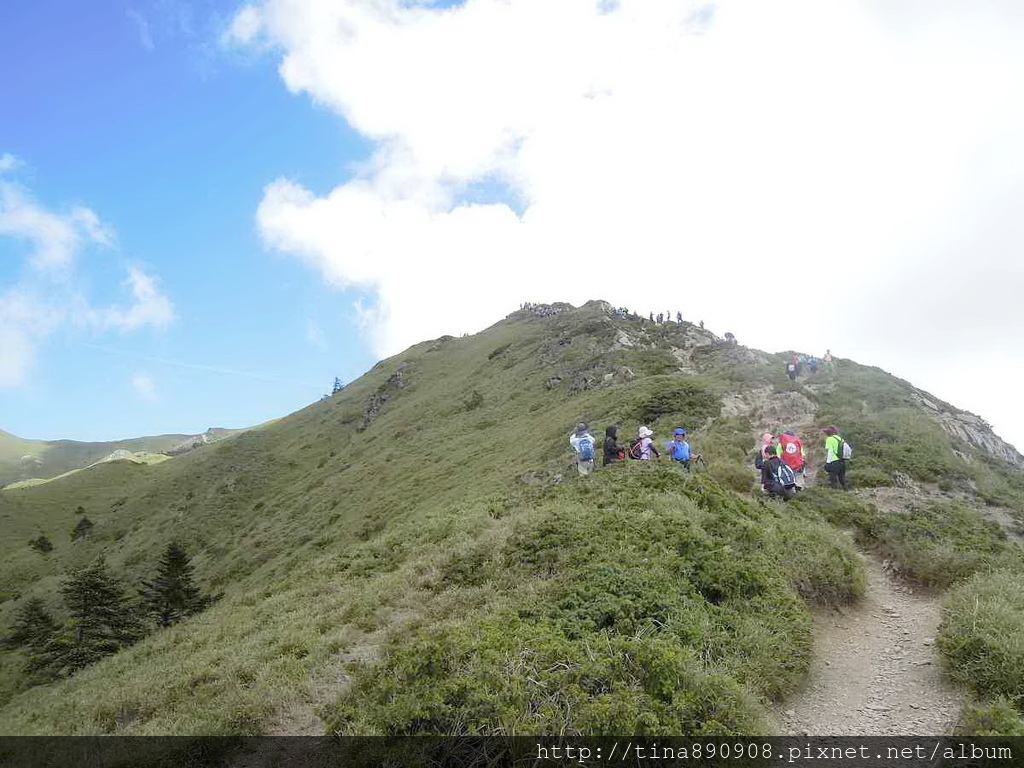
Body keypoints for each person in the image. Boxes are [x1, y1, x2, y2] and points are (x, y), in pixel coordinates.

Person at [821, 425, 848, 490]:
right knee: (842, 479)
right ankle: (846, 492)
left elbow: (830, 451)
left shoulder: (829, 439)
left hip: (834, 462)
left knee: (833, 480)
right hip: (842, 461)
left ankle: (834, 493)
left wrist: (827, 463)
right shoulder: (840, 439)